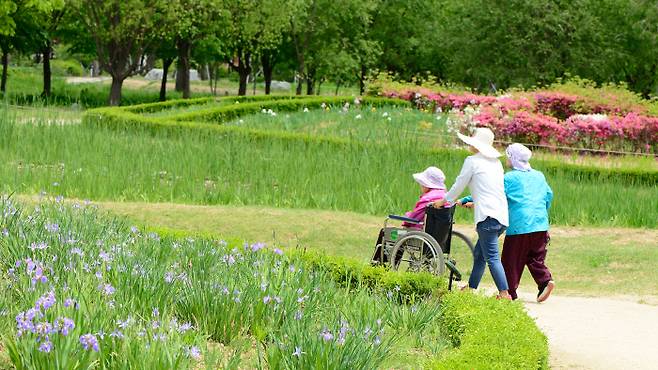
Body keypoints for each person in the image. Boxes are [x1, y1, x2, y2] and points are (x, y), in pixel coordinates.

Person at [433, 127, 511, 300]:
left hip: (487, 217)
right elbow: (490, 190)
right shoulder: (496, 163)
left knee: (491, 257)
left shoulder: (472, 161)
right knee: (480, 254)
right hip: (501, 216)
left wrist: (444, 201)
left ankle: (504, 294)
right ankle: (471, 287)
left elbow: (459, 184)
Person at [502, 143, 555, 302]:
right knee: (535, 257)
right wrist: (541, 213)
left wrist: (469, 200)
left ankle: (509, 293)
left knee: (510, 260)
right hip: (540, 224)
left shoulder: (509, 178)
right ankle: (545, 281)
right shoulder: (539, 175)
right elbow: (548, 195)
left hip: (519, 225)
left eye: (508, 156)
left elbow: (493, 193)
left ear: (513, 159)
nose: (506, 158)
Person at [372, 166, 446, 264]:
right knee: (400, 234)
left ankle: (380, 265)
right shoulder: (445, 197)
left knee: (386, 232)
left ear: (427, 185)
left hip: (421, 235)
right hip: (440, 237)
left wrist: (406, 219)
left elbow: (412, 218)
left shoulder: (428, 199)